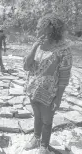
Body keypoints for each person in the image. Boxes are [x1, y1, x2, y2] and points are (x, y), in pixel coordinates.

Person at [23, 13, 72, 154]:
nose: (36, 31)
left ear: (49, 29)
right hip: (33, 88)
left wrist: (59, 97)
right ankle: (36, 138)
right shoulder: (37, 45)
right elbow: (26, 66)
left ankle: (44, 146)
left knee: (47, 120)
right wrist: (33, 48)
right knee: (37, 116)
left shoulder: (63, 50)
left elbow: (64, 76)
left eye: (39, 28)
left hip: (50, 92)